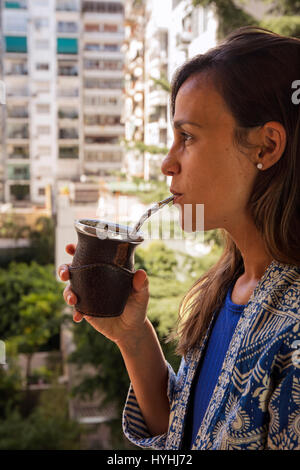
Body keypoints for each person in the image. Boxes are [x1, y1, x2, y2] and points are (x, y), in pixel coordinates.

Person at [58, 26, 300, 450]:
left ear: (266, 146)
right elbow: (186, 435)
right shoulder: (228, 285)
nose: (168, 163)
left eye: (187, 137)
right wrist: (132, 337)